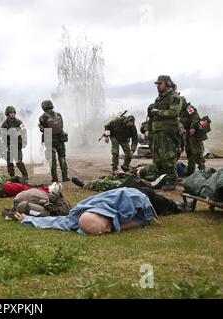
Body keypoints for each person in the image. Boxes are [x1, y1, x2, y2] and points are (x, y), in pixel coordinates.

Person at [14, 187, 190, 235]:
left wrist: (135, 223)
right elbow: (54, 221)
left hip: (139, 194)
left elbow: (147, 216)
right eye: (107, 230)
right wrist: (28, 219)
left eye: (106, 228)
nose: (108, 231)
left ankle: (180, 206)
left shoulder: (130, 200)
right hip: (105, 201)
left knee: (161, 202)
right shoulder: (76, 219)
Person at [147, 75, 184, 191]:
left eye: (160, 83)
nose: (158, 86)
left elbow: (174, 112)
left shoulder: (175, 97)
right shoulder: (158, 99)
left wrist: (158, 112)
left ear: (167, 83)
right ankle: (161, 180)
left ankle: (171, 181)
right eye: (157, 84)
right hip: (157, 132)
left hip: (168, 132)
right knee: (157, 158)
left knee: (168, 157)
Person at [38, 100, 69, 182]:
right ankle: (65, 177)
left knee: (52, 160)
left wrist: (41, 129)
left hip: (50, 141)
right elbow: (61, 126)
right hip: (60, 139)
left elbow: (44, 130)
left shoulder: (42, 118)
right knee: (62, 158)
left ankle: (55, 178)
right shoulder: (58, 115)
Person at [0, 106, 29, 182]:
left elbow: (24, 131)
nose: (12, 114)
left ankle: (25, 175)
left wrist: (24, 142)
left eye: (13, 113)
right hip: (9, 145)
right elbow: (2, 136)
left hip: (18, 145)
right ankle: (12, 176)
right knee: (9, 162)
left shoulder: (19, 122)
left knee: (19, 161)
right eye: (10, 113)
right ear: (7, 114)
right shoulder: (4, 124)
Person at [179, 103, 206, 175]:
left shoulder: (189, 108)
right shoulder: (179, 111)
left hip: (194, 133)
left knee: (197, 152)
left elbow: (196, 117)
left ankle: (203, 172)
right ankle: (190, 172)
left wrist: (193, 127)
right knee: (189, 152)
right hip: (187, 133)